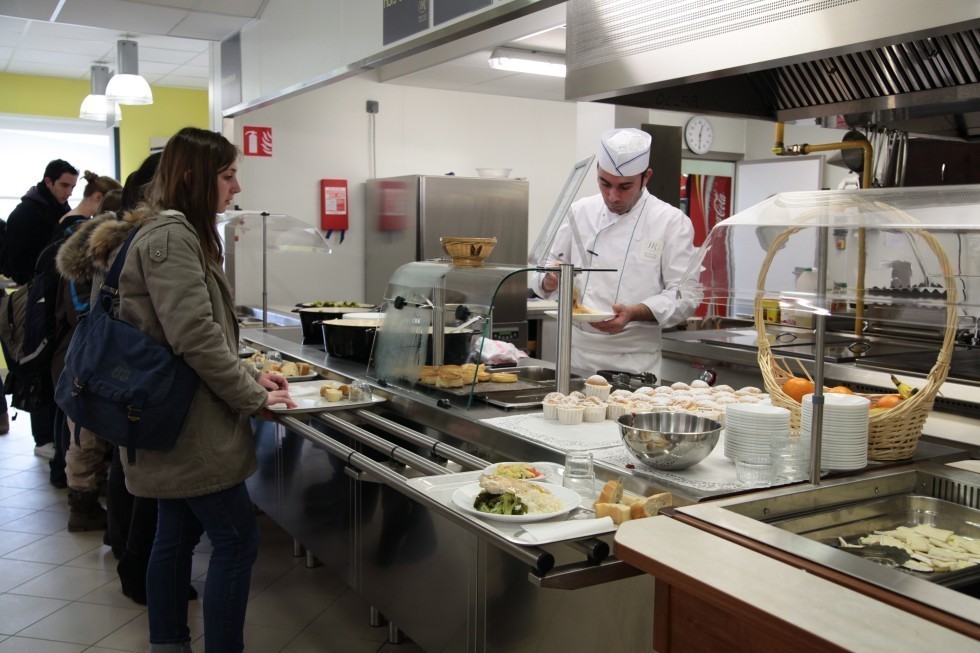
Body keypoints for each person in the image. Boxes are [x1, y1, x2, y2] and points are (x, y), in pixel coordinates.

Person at [67, 127, 294, 653]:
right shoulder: (171, 236)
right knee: (237, 539)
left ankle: (168, 643)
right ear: (195, 178)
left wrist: (249, 373)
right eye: (228, 175)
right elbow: (193, 336)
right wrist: (252, 395)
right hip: (188, 427)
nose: (236, 187)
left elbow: (187, 330)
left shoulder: (167, 232)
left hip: (168, 421)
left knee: (175, 535)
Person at [530, 128, 699, 379]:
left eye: (624, 186)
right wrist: (549, 279)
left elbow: (685, 296)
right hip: (575, 356)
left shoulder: (671, 222)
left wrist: (635, 312)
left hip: (635, 361)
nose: (613, 196)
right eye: (605, 183)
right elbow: (544, 267)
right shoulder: (579, 212)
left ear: (646, 177)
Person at [43, 173, 122, 513]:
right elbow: (82, 311)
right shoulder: (89, 255)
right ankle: (82, 501)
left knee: (83, 428)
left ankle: (84, 491)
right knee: (84, 432)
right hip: (82, 352)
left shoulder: (82, 245)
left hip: (80, 352)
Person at [3, 159, 78, 459]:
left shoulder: (62, 212)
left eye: (72, 186)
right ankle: (43, 437)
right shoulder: (24, 214)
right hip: (35, 299)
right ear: (48, 182)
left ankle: (51, 437)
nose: (68, 192)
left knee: (52, 366)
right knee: (38, 364)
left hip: (53, 298)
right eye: (64, 185)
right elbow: (15, 263)